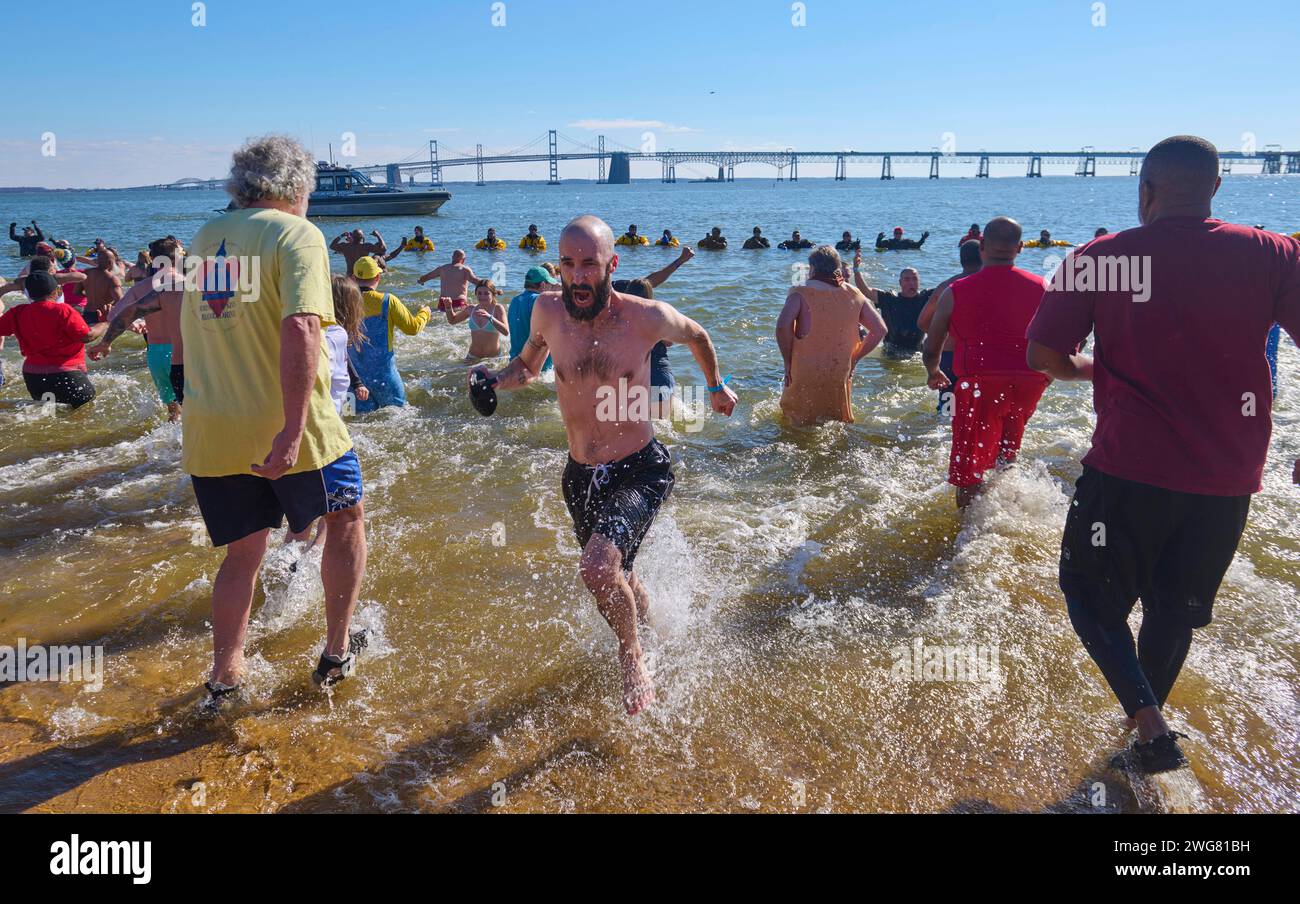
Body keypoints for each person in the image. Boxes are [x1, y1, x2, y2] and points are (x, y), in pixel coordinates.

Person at [1026, 135, 1300, 774]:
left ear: (1144, 191)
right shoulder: (1273, 253)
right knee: (1175, 610)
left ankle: (1148, 725)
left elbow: (1043, 357)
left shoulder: (1100, 257)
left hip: (1128, 468)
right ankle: (1143, 743)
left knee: (1089, 594)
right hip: (1229, 479)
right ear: (1216, 188)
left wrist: (1091, 365)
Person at [469, 215, 737, 715]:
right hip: (580, 477)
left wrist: (717, 387)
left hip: (639, 468)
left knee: (596, 567)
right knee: (619, 575)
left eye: (589, 264)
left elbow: (697, 335)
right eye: (568, 264)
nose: (577, 275)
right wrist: (493, 380)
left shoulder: (644, 318)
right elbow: (527, 367)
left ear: (611, 265)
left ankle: (632, 656)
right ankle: (653, 632)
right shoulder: (548, 312)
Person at [184, 135, 368, 710]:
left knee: (241, 555)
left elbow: (211, 328)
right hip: (293, 428)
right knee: (347, 518)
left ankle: (224, 678)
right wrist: (291, 430)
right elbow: (302, 328)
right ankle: (337, 651)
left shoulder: (206, 238)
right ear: (294, 188)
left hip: (213, 429)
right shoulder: (297, 233)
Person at [923, 217, 1050, 507]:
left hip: (980, 383)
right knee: (1007, 454)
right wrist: (1046, 377)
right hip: (1028, 383)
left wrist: (933, 372)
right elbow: (1069, 338)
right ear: (1019, 248)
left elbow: (932, 346)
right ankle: (1007, 509)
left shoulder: (955, 291)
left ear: (982, 246)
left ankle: (968, 532)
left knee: (969, 470)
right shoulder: (1043, 286)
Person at [776, 245, 887, 425]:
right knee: (835, 421)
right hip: (839, 368)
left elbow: (782, 326)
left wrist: (787, 360)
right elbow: (880, 329)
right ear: (837, 267)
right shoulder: (854, 293)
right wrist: (855, 358)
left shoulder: (800, 290)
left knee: (795, 422)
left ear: (811, 268)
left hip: (805, 367)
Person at [87, 236, 187, 421]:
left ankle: (168, 443)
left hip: (156, 353)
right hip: (182, 353)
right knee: (193, 409)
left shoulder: (141, 287)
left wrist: (131, 326)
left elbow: (114, 315)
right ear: (176, 258)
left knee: (173, 412)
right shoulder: (186, 283)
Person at [0, 270, 95, 408]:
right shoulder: (63, 310)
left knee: (49, 415)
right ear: (56, 291)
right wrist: (106, 323)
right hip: (66, 374)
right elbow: (87, 336)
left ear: (27, 293)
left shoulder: (17, 312)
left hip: (33, 378)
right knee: (84, 412)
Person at [351, 255, 431, 410]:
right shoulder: (388, 301)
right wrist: (425, 313)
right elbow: (412, 328)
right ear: (378, 276)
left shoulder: (343, 303)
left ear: (353, 278)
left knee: (358, 425)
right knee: (400, 416)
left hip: (355, 381)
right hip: (385, 377)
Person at [918, 240, 983, 411]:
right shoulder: (992, 285)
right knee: (979, 409)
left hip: (948, 358)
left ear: (961, 260)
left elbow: (922, 321)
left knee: (948, 410)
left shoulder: (946, 286)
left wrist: (945, 335)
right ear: (984, 256)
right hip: (980, 357)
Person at [851, 256, 933, 358]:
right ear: (900, 282)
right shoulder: (889, 299)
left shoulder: (926, 297)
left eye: (915, 279)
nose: (911, 283)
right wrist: (856, 269)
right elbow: (865, 290)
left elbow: (947, 288)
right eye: (907, 279)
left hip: (917, 352)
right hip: (891, 352)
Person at [508, 265, 560, 370]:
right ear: (542, 284)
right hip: (540, 367)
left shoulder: (514, 301)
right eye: (549, 284)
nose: (550, 288)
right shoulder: (542, 301)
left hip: (515, 363)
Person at [448, 280, 508, 360]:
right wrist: (448, 307)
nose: (482, 296)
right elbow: (452, 320)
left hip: (493, 360)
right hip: (472, 357)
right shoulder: (471, 309)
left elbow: (506, 331)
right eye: (479, 293)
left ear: (493, 295)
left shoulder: (497, 308)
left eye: (486, 294)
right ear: (476, 294)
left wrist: (490, 317)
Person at [417, 250, 486, 313]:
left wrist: (421, 281)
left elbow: (426, 277)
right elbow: (476, 281)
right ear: (464, 259)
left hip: (444, 303)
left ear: (452, 257)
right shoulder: (465, 269)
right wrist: (489, 285)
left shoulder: (442, 268)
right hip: (459, 303)